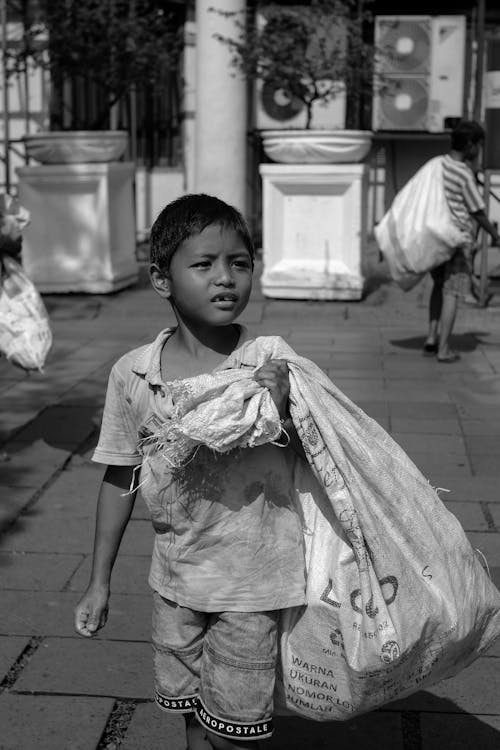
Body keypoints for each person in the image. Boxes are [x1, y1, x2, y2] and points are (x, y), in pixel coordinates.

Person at [73, 194, 307, 750]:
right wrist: (98, 582)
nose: (225, 278)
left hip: (253, 584)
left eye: (240, 263)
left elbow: (322, 455)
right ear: (162, 279)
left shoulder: (270, 361)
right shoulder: (134, 374)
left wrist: (285, 409)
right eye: (204, 265)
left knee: (233, 735)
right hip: (175, 582)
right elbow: (121, 475)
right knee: (191, 718)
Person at [423, 120, 500, 362]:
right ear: (470, 145)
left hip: (436, 239)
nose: (480, 149)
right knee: (452, 293)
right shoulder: (463, 174)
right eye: (479, 144)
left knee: (437, 287)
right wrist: (496, 235)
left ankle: (431, 338)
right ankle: (444, 349)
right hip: (457, 241)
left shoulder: (438, 165)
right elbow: (477, 210)